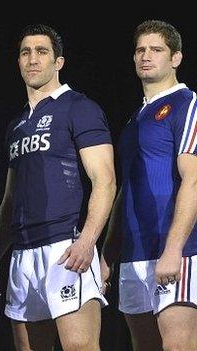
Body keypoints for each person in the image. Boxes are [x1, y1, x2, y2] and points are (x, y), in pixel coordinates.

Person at [0, 24, 115, 351]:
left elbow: (105, 180)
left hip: (65, 249)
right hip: (23, 253)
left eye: (41, 52)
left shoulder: (79, 107)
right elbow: (10, 198)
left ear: (59, 62)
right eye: (25, 52)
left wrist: (87, 241)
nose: (32, 59)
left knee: (80, 347)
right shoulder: (16, 125)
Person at [100, 20, 197, 351]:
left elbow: (194, 180)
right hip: (133, 254)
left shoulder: (186, 104)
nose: (146, 56)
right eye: (141, 50)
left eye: (156, 49)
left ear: (176, 58)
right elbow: (126, 190)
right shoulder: (134, 120)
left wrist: (173, 250)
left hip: (177, 250)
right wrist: (108, 253)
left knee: (178, 346)